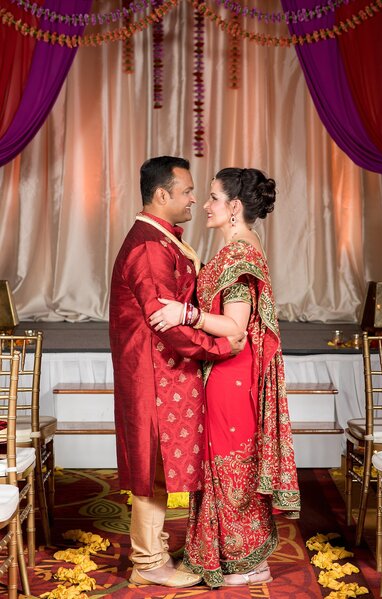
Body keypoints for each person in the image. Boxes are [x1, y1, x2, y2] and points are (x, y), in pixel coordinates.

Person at [149, 167, 301, 587]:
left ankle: (247, 561)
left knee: (229, 461)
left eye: (214, 197)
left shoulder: (239, 255)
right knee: (224, 459)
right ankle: (231, 554)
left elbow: (235, 326)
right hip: (226, 368)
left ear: (234, 207)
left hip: (231, 371)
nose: (205, 204)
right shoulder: (236, 248)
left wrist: (186, 313)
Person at [109, 157, 247, 588]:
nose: (194, 200)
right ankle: (148, 561)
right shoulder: (150, 247)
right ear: (162, 195)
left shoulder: (163, 239)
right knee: (151, 463)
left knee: (159, 463)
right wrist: (221, 346)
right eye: (188, 192)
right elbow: (164, 324)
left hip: (164, 371)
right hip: (153, 372)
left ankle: (155, 551)